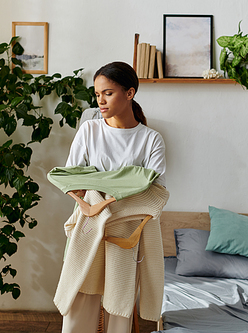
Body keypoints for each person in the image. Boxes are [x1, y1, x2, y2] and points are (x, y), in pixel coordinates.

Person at [60, 61, 167, 333]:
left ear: (129, 93)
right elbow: (72, 180)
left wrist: (98, 186)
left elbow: (154, 192)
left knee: (119, 304)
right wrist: (120, 186)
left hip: (127, 232)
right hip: (88, 226)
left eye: (107, 93)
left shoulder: (151, 139)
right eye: (97, 94)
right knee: (81, 297)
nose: (100, 101)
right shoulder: (89, 130)